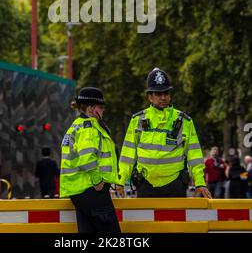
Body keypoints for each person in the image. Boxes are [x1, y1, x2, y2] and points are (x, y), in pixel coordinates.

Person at [118, 68, 211, 199]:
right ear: (149, 97)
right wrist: (121, 180)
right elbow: (127, 155)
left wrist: (200, 182)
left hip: (174, 185)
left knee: (175, 220)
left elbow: (194, 155)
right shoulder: (137, 120)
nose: (163, 97)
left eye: (166, 93)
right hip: (145, 184)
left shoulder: (185, 121)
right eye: (158, 94)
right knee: (145, 220)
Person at [60, 87, 121, 233]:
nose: (103, 111)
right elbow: (87, 157)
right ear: (92, 108)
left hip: (78, 190)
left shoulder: (76, 126)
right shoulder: (89, 128)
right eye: (101, 107)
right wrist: (98, 181)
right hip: (92, 188)